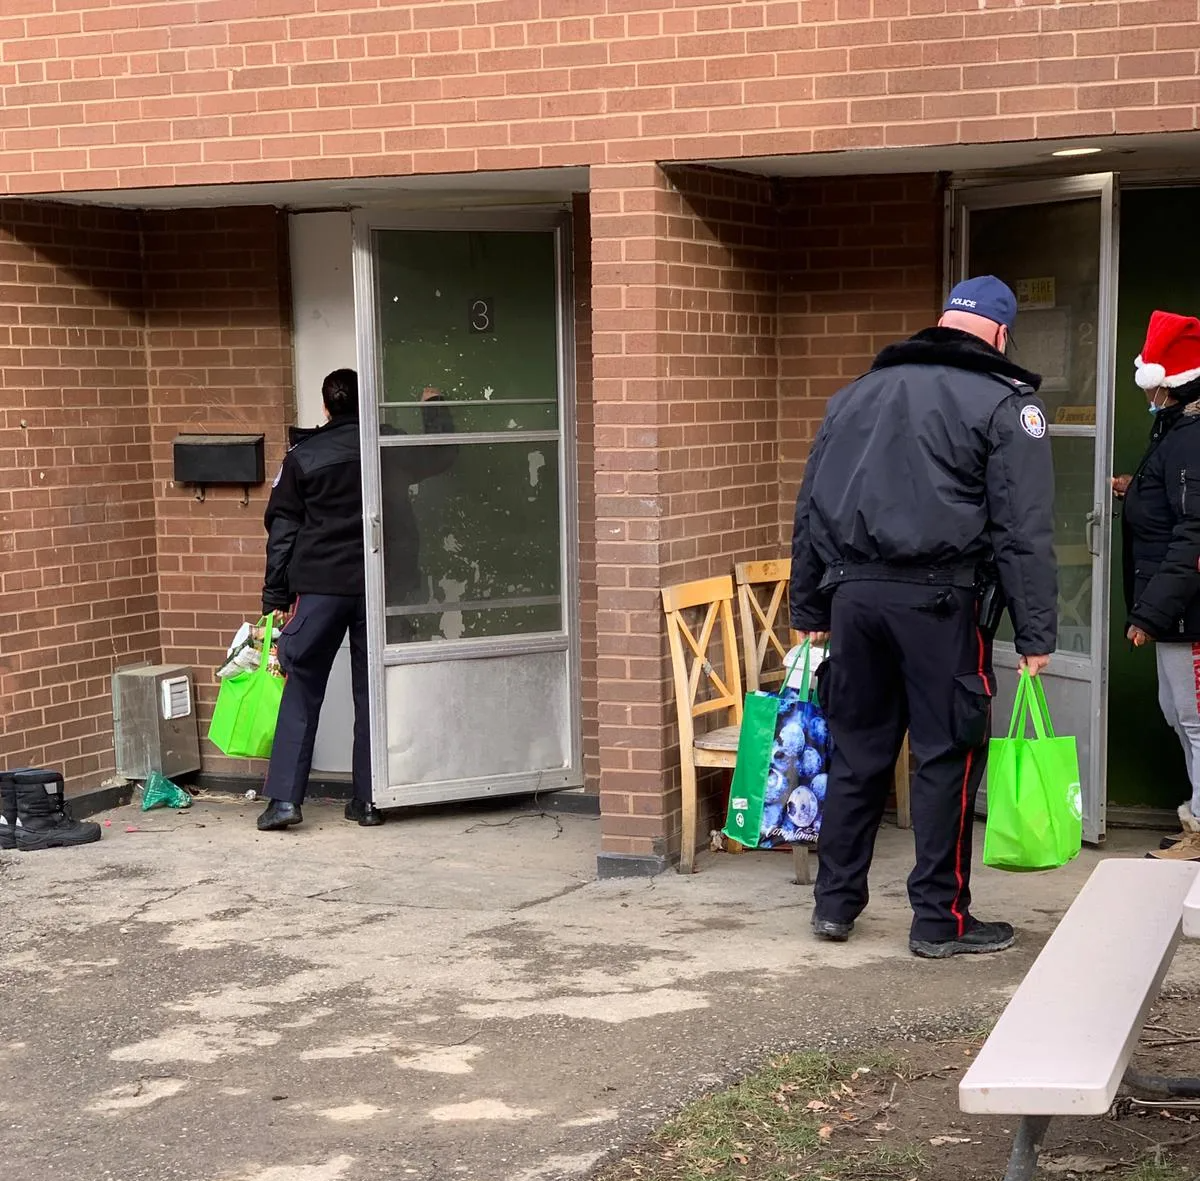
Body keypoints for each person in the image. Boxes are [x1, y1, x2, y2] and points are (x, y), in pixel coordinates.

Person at [790, 276, 1058, 959]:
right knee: (946, 757)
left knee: (857, 752)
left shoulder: (852, 396)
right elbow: (1022, 530)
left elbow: (809, 505)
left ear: (941, 323)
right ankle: (940, 919)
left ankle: (834, 905)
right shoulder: (1005, 404)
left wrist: (810, 604)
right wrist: (1036, 631)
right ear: (1000, 333)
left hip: (853, 600)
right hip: (942, 605)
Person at [257, 368, 455, 832]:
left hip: (321, 589)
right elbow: (442, 454)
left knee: (302, 684)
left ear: (325, 407)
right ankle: (369, 801)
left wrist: (275, 595)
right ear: (366, 403)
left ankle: (285, 802)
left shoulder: (304, 457)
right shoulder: (386, 447)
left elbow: (282, 531)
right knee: (373, 691)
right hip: (381, 585)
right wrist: (434, 407)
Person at [1113, 310, 1200, 861]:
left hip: (1188, 613)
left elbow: (1194, 532)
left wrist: (1150, 613)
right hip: (1176, 612)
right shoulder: (1175, 430)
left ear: (1167, 382)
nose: (1148, 393)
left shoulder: (1191, 438)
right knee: (1180, 714)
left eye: (1151, 383)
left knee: (1196, 721)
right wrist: (1137, 490)